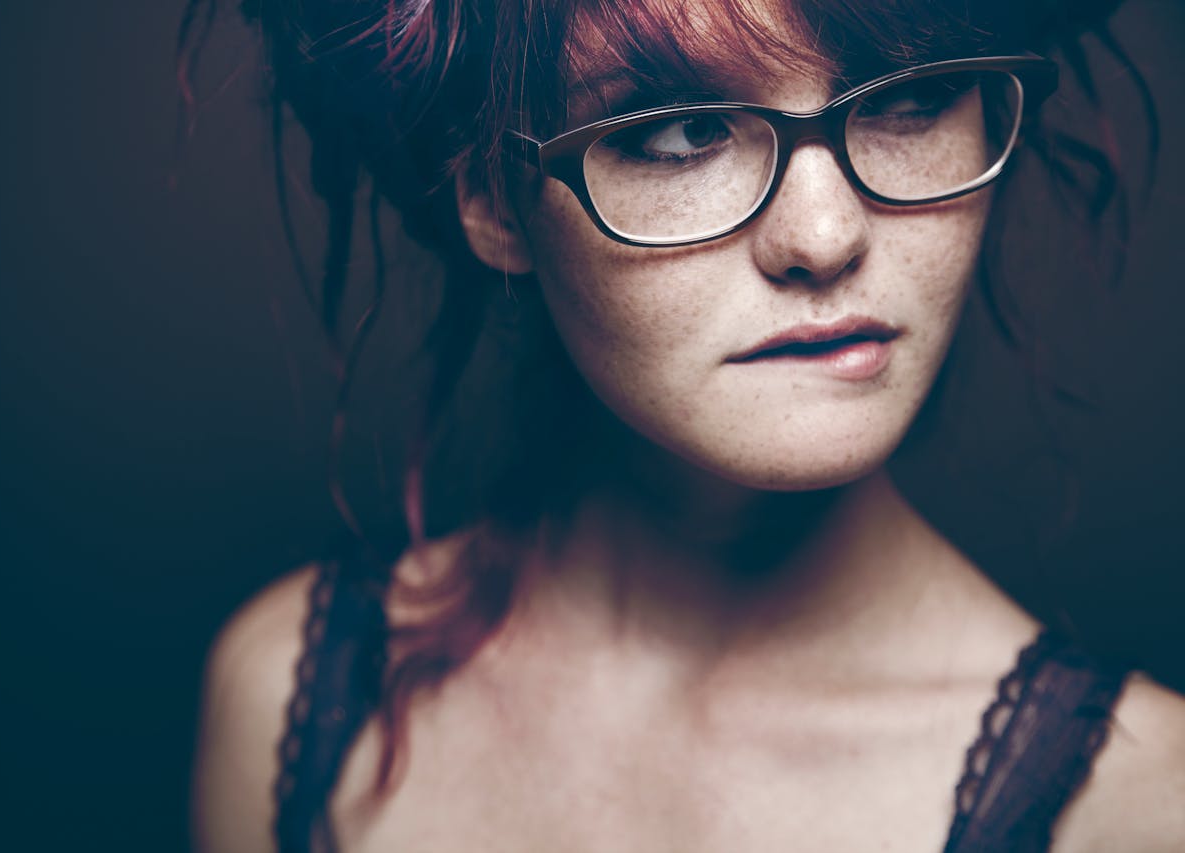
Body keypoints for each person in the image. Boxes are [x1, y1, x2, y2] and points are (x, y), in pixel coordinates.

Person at [188, 1, 1185, 851]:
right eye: (678, 130)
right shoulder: (291, 696)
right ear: (491, 195)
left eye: (905, 97)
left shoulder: (1142, 809)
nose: (823, 236)